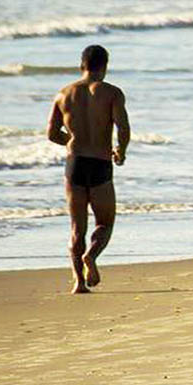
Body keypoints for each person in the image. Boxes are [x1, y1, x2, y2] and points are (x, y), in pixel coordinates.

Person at [47, 44, 130, 293]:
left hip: (75, 165)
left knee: (76, 227)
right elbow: (123, 128)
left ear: (81, 64)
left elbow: (51, 133)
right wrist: (120, 151)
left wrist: (70, 141)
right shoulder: (112, 93)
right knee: (104, 223)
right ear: (105, 66)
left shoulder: (63, 94)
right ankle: (91, 257)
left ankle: (78, 282)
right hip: (101, 163)